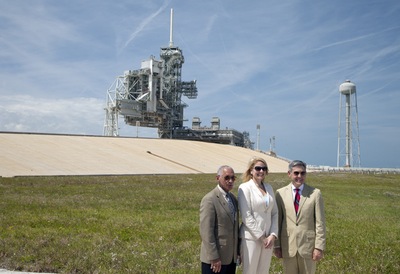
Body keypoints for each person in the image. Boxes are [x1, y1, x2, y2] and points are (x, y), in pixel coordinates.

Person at [273, 160, 326, 274]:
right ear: (289, 174)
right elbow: (277, 221)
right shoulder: (280, 193)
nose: (299, 176)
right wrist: (277, 246)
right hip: (288, 247)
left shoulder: (315, 193)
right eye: (296, 173)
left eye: (303, 173)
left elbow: (320, 223)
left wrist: (319, 247)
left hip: (308, 247)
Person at [238, 157, 278, 274]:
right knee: (250, 271)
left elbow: (274, 213)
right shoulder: (244, 188)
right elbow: (246, 216)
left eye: (264, 169)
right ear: (251, 170)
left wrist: (273, 235)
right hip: (251, 238)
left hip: (268, 239)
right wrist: (261, 237)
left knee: (263, 271)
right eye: (258, 168)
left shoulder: (269, 188)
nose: (261, 171)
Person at [200, 165, 240, 274]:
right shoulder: (209, 199)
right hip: (215, 261)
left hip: (230, 259)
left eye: (233, 178)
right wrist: (214, 257)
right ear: (218, 178)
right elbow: (206, 231)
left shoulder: (233, 199)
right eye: (226, 178)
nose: (230, 181)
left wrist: (237, 252)